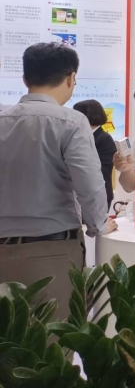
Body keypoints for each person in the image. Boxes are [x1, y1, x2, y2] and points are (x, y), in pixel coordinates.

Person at [0, 43, 116, 320]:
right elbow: (89, 185)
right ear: (71, 78)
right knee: (51, 339)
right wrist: (98, 224)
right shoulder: (72, 122)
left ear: (25, 78)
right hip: (51, 250)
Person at [73, 99, 116, 208]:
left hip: (98, 194)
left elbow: (102, 169)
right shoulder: (83, 136)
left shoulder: (104, 139)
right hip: (83, 194)